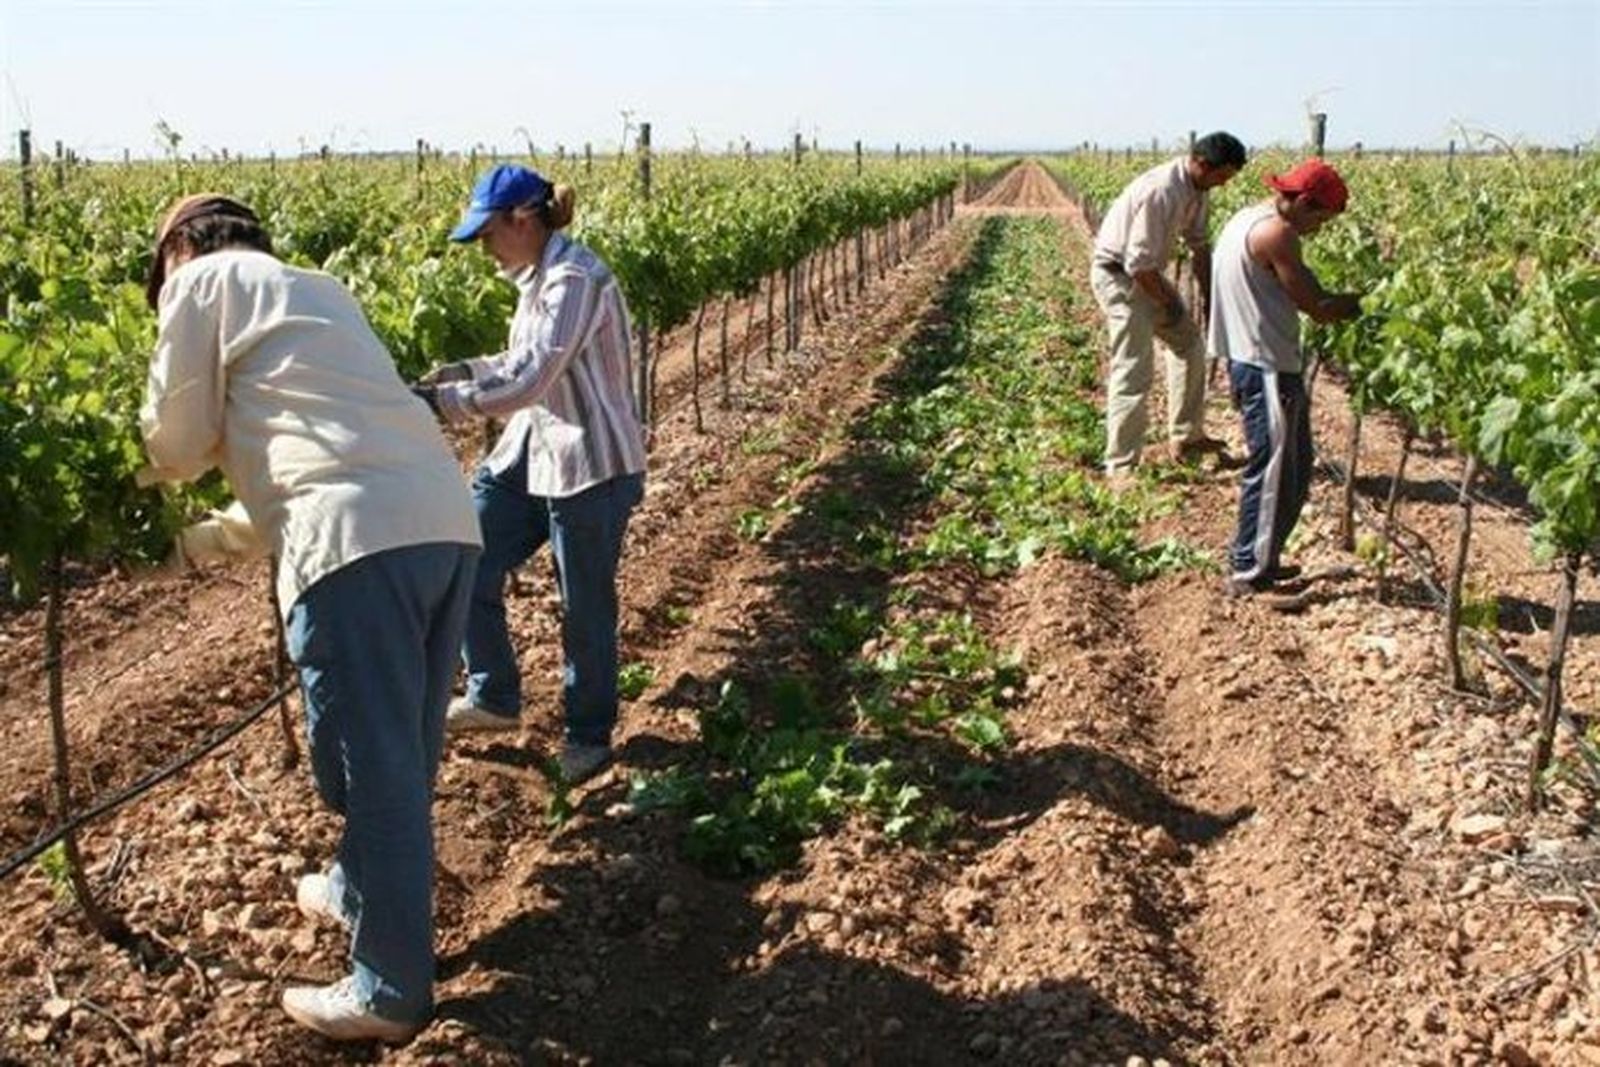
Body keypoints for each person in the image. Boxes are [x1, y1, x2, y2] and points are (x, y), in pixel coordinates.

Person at [140, 194, 482, 1042]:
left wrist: (127, 497)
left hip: (355, 546)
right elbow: (310, 457)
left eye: (158, 278)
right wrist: (200, 543)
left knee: (370, 773)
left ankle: (391, 991)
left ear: (180, 246)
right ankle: (359, 887)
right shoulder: (315, 288)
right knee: (403, 748)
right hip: (441, 522)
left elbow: (176, 445)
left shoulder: (200, 284)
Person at [414, 164, 646, 784]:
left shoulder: (574, 279)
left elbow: (530, 379)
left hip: (589, 463)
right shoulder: (536, 277)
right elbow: (516, 359)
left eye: (489, 234)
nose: (484, 249)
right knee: (464, 557)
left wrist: (443, 406)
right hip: (530, 452)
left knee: (583, 605)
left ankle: (589, 736)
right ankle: (494, 695)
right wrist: (455, 373)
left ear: (523, 219)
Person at [1207, 159, 1363, 596]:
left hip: (1258, 362)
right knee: (1273, 469)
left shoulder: (1246, 218)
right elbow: (1317, 305)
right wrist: (1373, 304)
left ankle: (1265, 559)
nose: (1318, 229)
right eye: (1321, 218)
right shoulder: (1278, 234)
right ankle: (1247, 569)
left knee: (1294, 467)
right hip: (1266, 367)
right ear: (1306, 203)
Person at [1090, 131, 1247, 481]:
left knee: (1190, 344)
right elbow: (1137, 264)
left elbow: (1199, 246)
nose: (1222, 184)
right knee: (1134, 369)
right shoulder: (1162, 190)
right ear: (1202, 164)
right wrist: (1169, 303)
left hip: (1148, 276)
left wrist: (1211, 300)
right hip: (1120, 277)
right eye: (1222, 176)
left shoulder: (1198, 189)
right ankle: (1121, 466)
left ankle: (1187, 438)